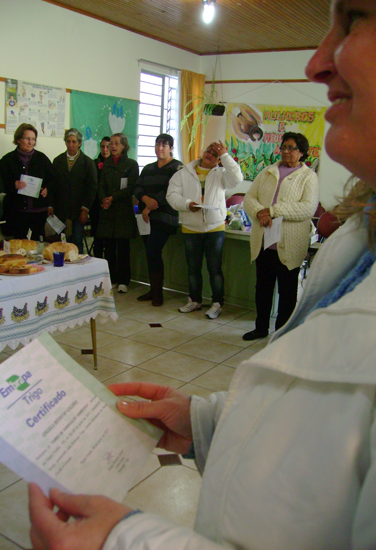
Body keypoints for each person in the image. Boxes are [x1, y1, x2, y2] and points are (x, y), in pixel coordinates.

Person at [28, 1, 376, 548]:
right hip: (198, 228)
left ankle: (216, 303)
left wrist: (123, 539)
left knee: (223, 277)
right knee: (210, 280)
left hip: (217, 229)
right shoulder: (358, 240)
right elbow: (315, 433)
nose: (316, 62)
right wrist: (207, 422)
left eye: (353, 20)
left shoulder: (232, 171)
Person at [242, 132, 319, 340]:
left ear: (301, 152)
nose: (286, 151)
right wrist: (259, 212)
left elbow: (308, 208)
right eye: (284, 147)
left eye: (291, 148)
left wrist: (272, 211)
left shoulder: (308, 177)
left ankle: (281, 334)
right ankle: (260, 328)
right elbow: (249, 198)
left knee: (287, 292)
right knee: (263, 289)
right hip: (265, 242)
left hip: (290, 245)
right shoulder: (267, 171)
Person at [166, 141, 243, 319]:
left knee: (214, 269)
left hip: (215, 227)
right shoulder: (183, 173)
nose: (210, 155)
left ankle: (217, 303)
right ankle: (194, 300)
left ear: (219, 160)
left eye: (215, 154)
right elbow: (172, 195)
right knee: (193, 268)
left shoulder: (222, 174)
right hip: (190, 227)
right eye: (209, 151)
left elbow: (237, 179)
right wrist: (187, 204)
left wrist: (225, 155)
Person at [133, 133, 182, 306]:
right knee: (149, 253)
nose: (160, 148)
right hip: (146, 218)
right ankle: (153, 290)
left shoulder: (177, 167)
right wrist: (145, 199)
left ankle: (158, 293)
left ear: (171, 148)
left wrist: (150, 205)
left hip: (165, 217)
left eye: (164, 145)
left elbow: (170, 191)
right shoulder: (148, 168)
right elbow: (137, 187)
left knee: (153, 251)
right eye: (157, 144)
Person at [96, 133, 138, 292]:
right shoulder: (106, 164)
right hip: (108, 211)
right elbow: (101, 185)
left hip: (123, 212)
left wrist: (113, 197)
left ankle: (123, 281)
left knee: (123, 248)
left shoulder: (131, 164)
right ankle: (112, 278)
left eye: (116, 143)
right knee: (109, 247)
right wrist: (103, 199)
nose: (112, 146)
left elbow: (131, 188)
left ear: (124, 146)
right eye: (111, 144)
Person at [0, 123, 55, 240]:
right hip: (17, 211)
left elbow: (53, 180)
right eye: (27, 138)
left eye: (33, 139)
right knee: (18, 243)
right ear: (18, 139)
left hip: (39, 211)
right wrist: (13, 185)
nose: (30, 142)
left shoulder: (42, 158)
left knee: (39, 243)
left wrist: (47, 189)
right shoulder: (7, 160)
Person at [50, 129, 97, 254]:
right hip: (61, 210)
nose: (70, 145)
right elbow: (53, 185)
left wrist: (85, 209)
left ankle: (77, 264)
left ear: (79, 143)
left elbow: (92, 188)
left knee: (77, 241)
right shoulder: (58, 161)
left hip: (78, 211)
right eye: (68, 141)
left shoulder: (88, 162)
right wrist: (51, 205)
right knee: (62, 241)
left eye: (74, 142)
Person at [91, 136, 110, 258]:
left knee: (108, 240)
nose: (105, 149)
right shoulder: (94, 163)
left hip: (110, 205)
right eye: (102, 146)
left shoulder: (116, 164)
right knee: (97, 238)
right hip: (96, 206)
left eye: (108, 146)